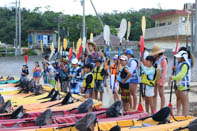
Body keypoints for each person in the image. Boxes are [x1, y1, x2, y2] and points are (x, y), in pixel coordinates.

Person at [169, 51, 190, 116]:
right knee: (179, 99)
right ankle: (179, 114)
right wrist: (174, 69)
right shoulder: (179, 63)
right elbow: (178, 72)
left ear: (183, 57)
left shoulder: (185, 65)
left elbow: (181, 75)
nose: (178, 58)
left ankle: (185, 116)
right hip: (178, 85)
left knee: (184, 102)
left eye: (179, 57)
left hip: (184, 85)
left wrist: (173, 78)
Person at [150, 45, 167, 111]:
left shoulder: (163, 60)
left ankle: (161, 109)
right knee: (154, 94)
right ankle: (154, 109)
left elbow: (164, 71)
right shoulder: (155, 59)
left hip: (160, 79)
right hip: (155, 78)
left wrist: (162, 81)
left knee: (161, 94)